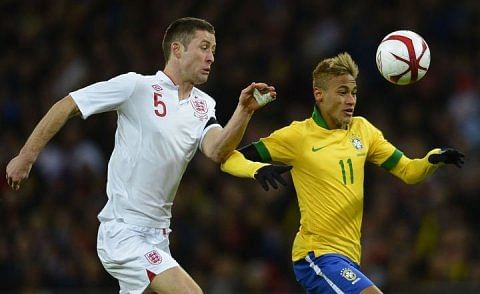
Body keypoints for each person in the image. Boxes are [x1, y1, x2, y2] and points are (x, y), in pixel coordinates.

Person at [5, 17, 277, 293]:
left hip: (159, 237)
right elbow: (68, 105)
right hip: (124, 232)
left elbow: (217, 150)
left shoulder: (204, 105)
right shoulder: (137, 87)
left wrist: (244, 111)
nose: (211, 57)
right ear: (177, 49)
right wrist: (26, 156)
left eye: (214, 51)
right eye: (204, 47)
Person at [220, 52, 464, 293]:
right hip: (316, 255)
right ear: (319, 95)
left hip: (349, 257)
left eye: (354, 93)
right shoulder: (297, 136)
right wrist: (256, 169)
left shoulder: (363, 130)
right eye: (342, 92)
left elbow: (409, 171)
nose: (351, 100)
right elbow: (228, 157)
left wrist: (433, 159)